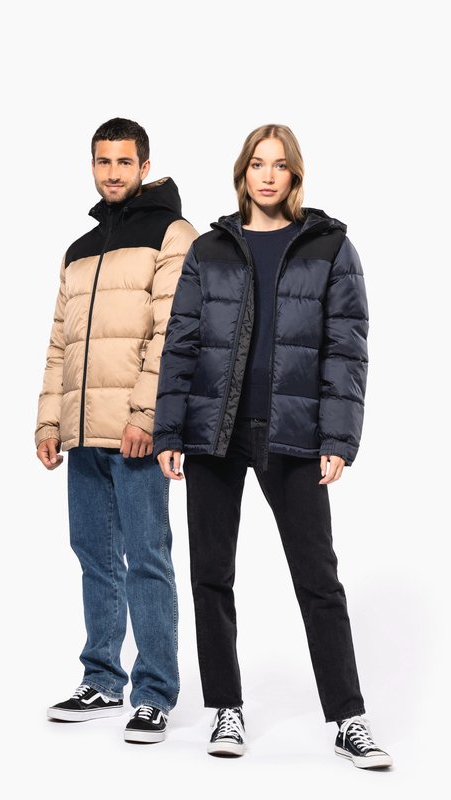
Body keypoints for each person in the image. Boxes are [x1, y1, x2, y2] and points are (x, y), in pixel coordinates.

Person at [153, 124, 392, 767]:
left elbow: (347, 349)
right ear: (243, 172)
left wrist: (338, 437)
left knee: (318, 579)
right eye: (257, 164)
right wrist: (170, 429)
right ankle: (225, 710)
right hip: (215, 432)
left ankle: (349, 718)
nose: (267, 175)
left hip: (294, 433)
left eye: (279, 165)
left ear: (294, 175)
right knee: (211, 575)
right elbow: (181, 343)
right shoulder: (208, 249)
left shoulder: (330, 247)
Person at [35, 117, 198, 743]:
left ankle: (154, 691)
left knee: (147, 558)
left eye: (124, 162)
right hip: (82, 432)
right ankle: (102, 678)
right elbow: (61, 342)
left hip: (135, 432)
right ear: (93, 166)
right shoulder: (79, 249)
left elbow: (173, 332)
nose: (112, 172)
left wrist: (147, 416)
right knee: (94, 556)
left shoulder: (172, 234)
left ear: (144, 167)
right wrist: (50, 420)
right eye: (103, 162)